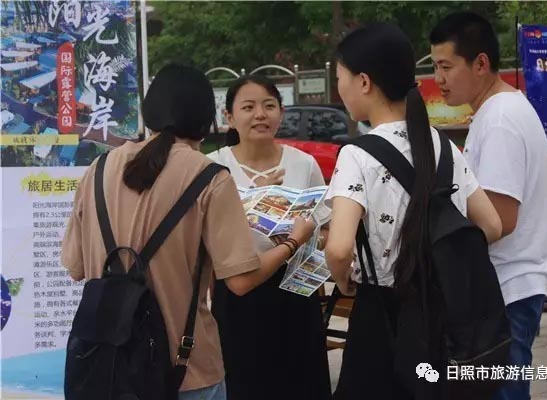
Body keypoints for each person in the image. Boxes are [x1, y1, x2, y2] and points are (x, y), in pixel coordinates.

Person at [61, 64, 316, 400]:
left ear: (149, 111)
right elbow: (241, 281)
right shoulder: (210, 176)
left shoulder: (99, 168)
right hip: (185, 370)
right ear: (207, 119)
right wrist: (294, 240)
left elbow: (76, 267)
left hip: (106, 368)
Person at [323, 23, 502, 400]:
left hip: (381, 317)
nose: (340, 89)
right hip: (442, 310)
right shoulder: (443, 146)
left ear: (364, 82)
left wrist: (344, 282)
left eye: (340, 78)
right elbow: (491, 225)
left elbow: (338, 249)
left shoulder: (356, 155)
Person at [430, 12, 547, 400]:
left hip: (506, 290)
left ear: (480, 63)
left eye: (446, 66)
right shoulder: (499, 110)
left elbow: (499, 220)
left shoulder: (500, 119)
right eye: (435, 66)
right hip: (508, 287)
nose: (438, 78)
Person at [207, 75, 332, 400]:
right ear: (229, 116)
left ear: (281, 112)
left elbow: (325, 229)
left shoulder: (303, 164)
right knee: (244, 383)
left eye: (269, 106)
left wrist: (308, 239)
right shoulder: (214, 166)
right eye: (248, 107)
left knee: (300, 384)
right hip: (238, 294)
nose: (260, 114)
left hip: (295, 293)